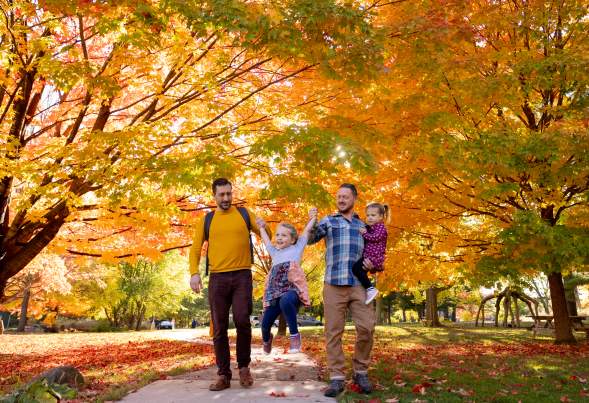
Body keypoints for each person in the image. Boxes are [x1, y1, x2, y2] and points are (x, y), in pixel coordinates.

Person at [188, 178, 267, 391]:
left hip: (242, 276)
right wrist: (194, 273)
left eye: (229, 194)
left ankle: (244, 368)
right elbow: (195, 249)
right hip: (217, 279)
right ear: (214, 196)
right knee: (219, 328)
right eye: (221, 194)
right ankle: (223, 374)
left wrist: (270, 231)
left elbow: (266, 233)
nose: (226, 198)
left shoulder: (244, 214)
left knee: (243, 320)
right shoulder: (208, 220)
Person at [308, 183, 376, 397]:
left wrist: (372, 264)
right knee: (333, 332)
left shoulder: (364, 226)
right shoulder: (329, 221)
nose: (341, 199)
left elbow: (373, 252)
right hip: (334, 284)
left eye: (345, 196)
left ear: (354, 199)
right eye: (338, 196)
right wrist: (311, 220)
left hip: (358, 285)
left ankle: (360, 371)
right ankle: (337, 377)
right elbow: (310, 240)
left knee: (367, 328)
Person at [256, 211, 315, 355]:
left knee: (286, 300)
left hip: (291, 290)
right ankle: (266, 339)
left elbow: (307, 231)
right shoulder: (274, 252)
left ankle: (294, 336)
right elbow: (266, 240)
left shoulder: (297, 248)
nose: (279, 238)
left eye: (284, 235)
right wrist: (262, 227)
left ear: (293, 239)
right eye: (277, 235)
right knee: (265, 324)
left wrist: (313, 218)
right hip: (274, 292)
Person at [351, 203, 389, 304]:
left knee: (355, 268)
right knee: (360, 271)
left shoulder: (381, 227)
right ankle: (368, 289)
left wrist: (364, 233)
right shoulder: (372, 227)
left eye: (373, 215)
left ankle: (370, 289)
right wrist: (356, 218)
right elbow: (365, 227)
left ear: (381, 217)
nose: (370, 218)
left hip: (374, 257)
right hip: (370, 256)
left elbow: (375, 237)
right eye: (368, 215)